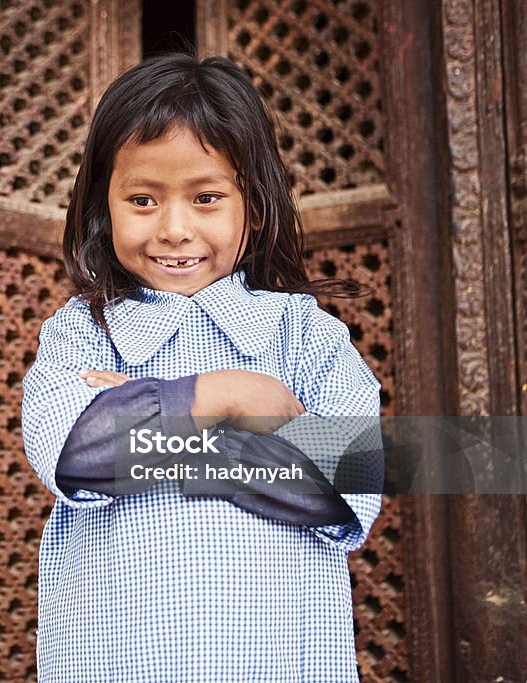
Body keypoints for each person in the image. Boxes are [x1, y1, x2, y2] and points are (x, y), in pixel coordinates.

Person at [21, 51, 383, 682]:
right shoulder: (81, 333)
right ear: (102, 208)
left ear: (256, 203)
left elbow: (346, 487)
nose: (175, 229)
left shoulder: (308, 338)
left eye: (207, 197)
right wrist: (226, 398)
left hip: (280, 665)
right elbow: (75, 456)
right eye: (142, 199)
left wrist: (149, 416)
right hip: (113, 663)